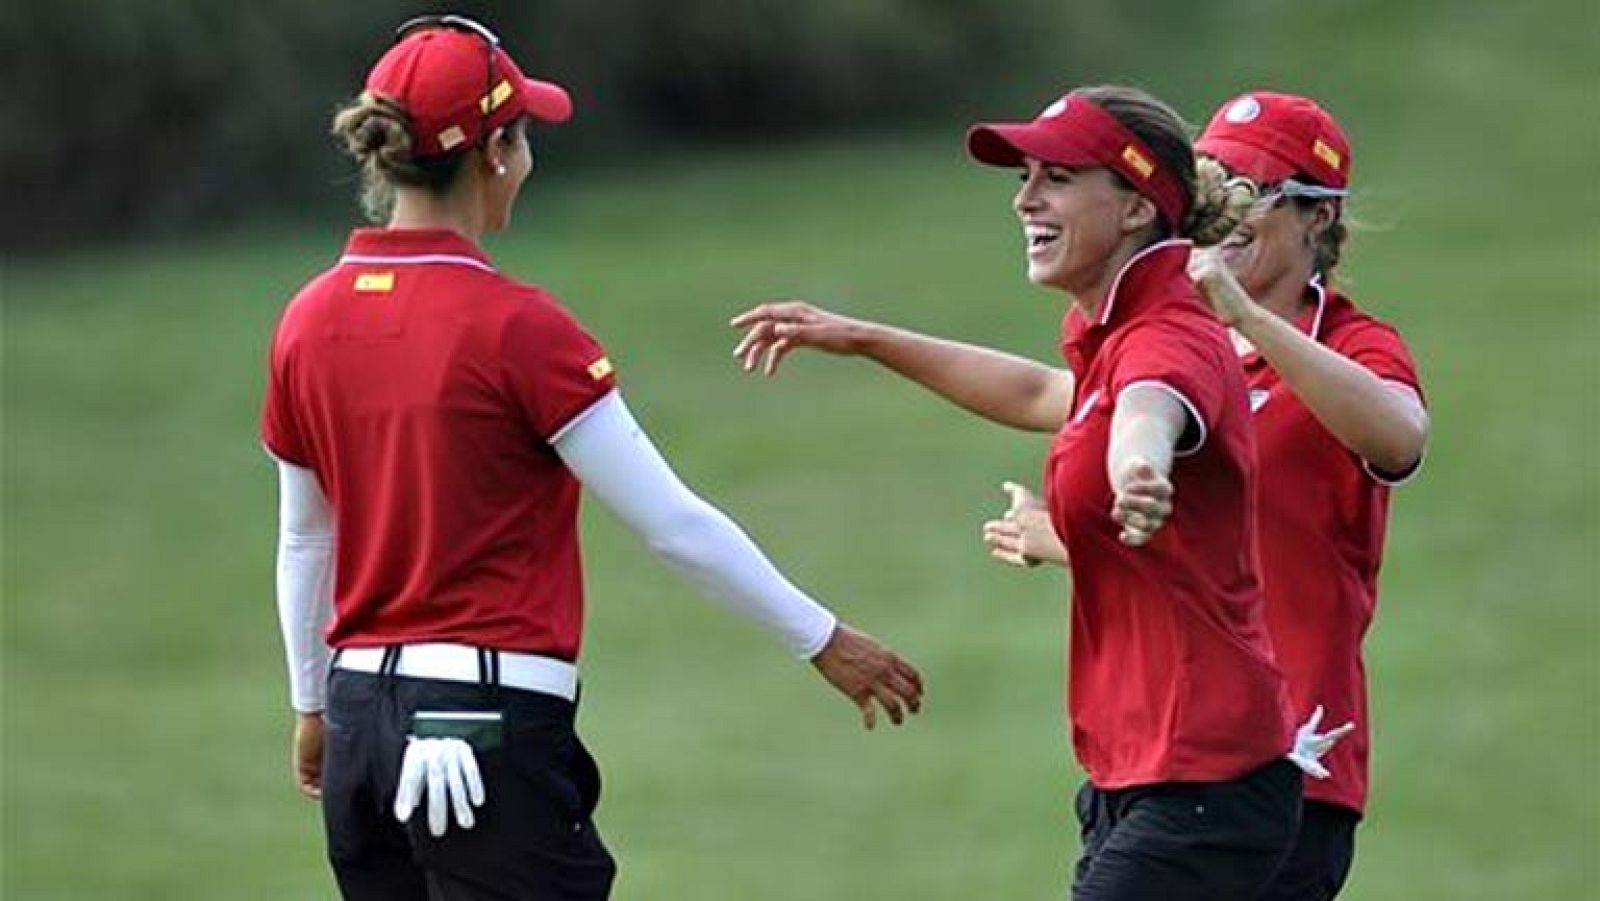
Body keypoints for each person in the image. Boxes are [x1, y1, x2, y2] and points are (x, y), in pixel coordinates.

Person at [262, 16, 922, 900]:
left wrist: (312, 706)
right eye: (524, 137)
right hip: (484, 731)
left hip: (360, 728)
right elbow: (674, 526)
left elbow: (307, 540)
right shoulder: (519, 329)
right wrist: (823, 637)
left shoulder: (307, 319)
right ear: (494, 152)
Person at [732, 85, 1338, 899]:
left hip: (1207, 779)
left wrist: (1140, 470)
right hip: (1143, 775)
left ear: (1132, 205)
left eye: (1055, 177)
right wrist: (862, 337)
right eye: (1025, 177)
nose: (1024, 200)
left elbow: (1150, 410)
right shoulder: (1114, 328)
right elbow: (1032, 396)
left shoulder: (1166, 334)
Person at [989, 91, 1428, 899]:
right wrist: (861, 337)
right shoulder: (1174, 339)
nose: (1226, 203)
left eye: (1252, 187)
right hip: (1172, 750)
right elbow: (1044, 395)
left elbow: (1399, 438)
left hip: (1295, 755)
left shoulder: (1350, 345)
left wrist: (1244, 316)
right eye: (1215, 177)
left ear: (1315, 220)